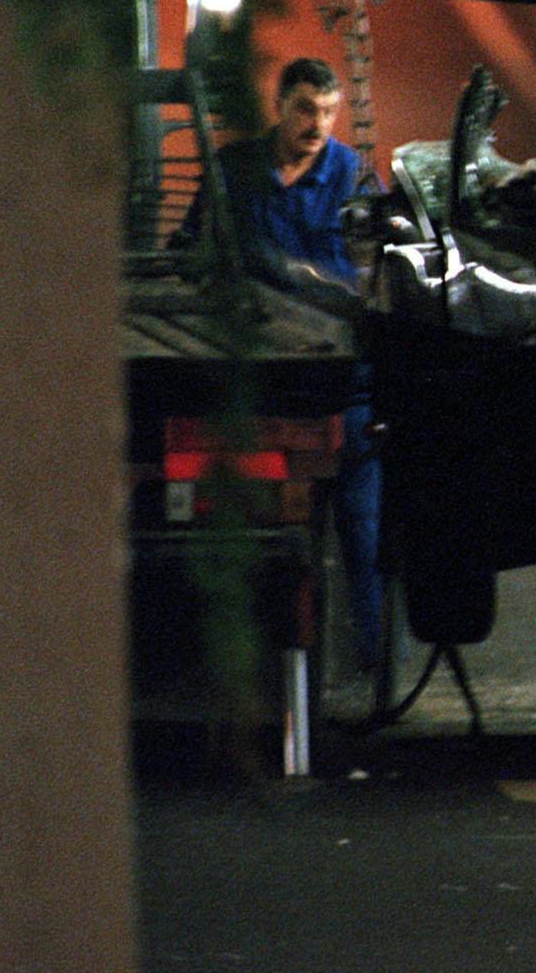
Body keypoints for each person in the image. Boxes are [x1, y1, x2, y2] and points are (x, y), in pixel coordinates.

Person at [183, 58, 386, 667]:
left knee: (363, 521)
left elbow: (378, 269)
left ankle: (374, 653)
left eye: (328, 112)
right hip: (260, 376)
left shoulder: (353, 177)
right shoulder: (235, 170)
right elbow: (193, 246)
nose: (317, 124)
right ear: (280, 107)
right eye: (305, 109)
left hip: (337, 379)